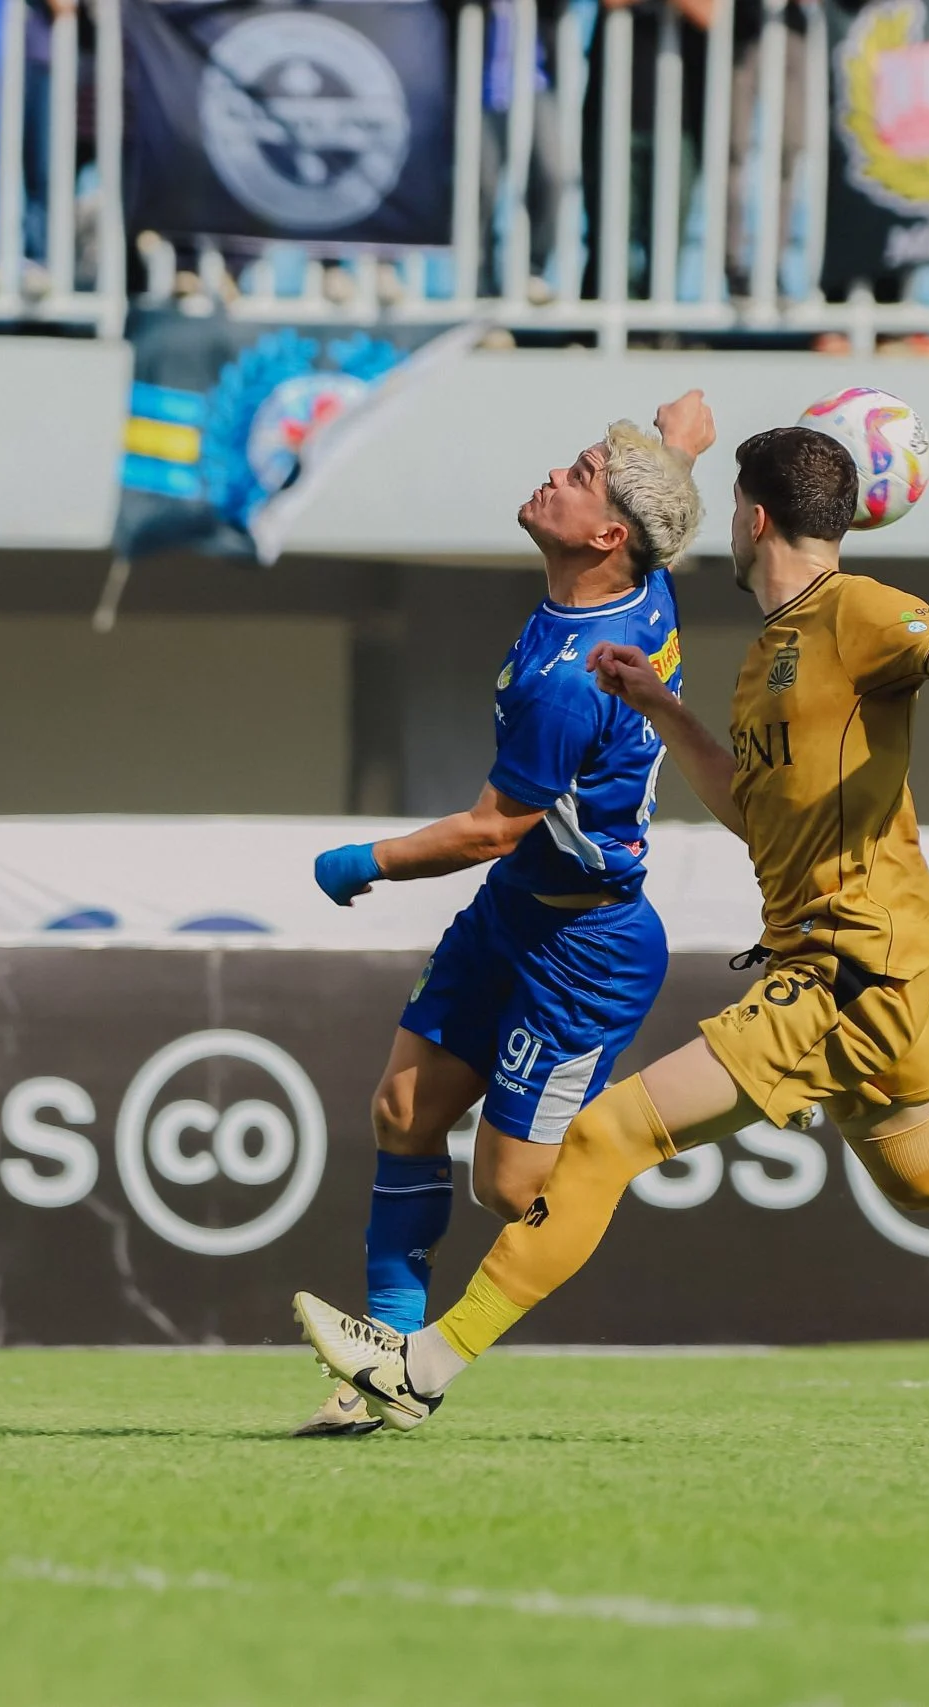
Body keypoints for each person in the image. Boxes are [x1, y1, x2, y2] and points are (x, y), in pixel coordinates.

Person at [296, 425, 929, 1432]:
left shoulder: (863, 610)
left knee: (609, 1136)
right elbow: (753, 805)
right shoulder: (769, 651)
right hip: (864, 963)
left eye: (729, 497)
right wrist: (663, 708)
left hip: (847, 967)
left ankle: (422, 1369)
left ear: (755, 518)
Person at [290, 392, 713, 1437]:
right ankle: (382, 1370)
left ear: (609, 537)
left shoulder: (570, 685)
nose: (553, 477)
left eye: (576, 475)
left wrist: (365, 861)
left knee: (511, 1185)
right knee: (401, 1112)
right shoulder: (634, 576)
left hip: (587, 946)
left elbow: (488, 831)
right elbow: (656, 505)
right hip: (515, 916)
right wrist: (679, 446)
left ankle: (705, 1109)